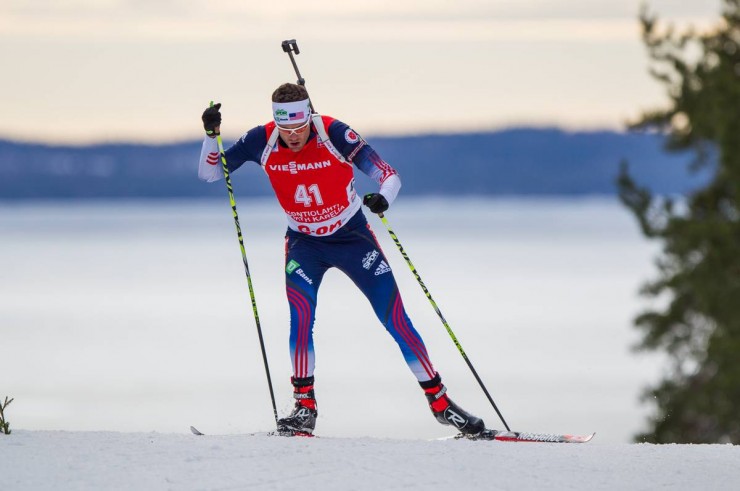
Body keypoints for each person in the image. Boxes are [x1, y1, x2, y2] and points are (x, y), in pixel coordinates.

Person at [197, 83, 485, 436]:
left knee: (395, 318)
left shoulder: (333, 132)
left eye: (299, 128)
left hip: (352, 238)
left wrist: (383, 199)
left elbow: (388, 175)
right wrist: (211, 136)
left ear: (309, 116)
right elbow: (212, 173)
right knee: (301, 318)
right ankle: (305, 407)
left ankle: (441, 404)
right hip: (304, 244)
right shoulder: (263, 139)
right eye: (285, 130)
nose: (293, 137)